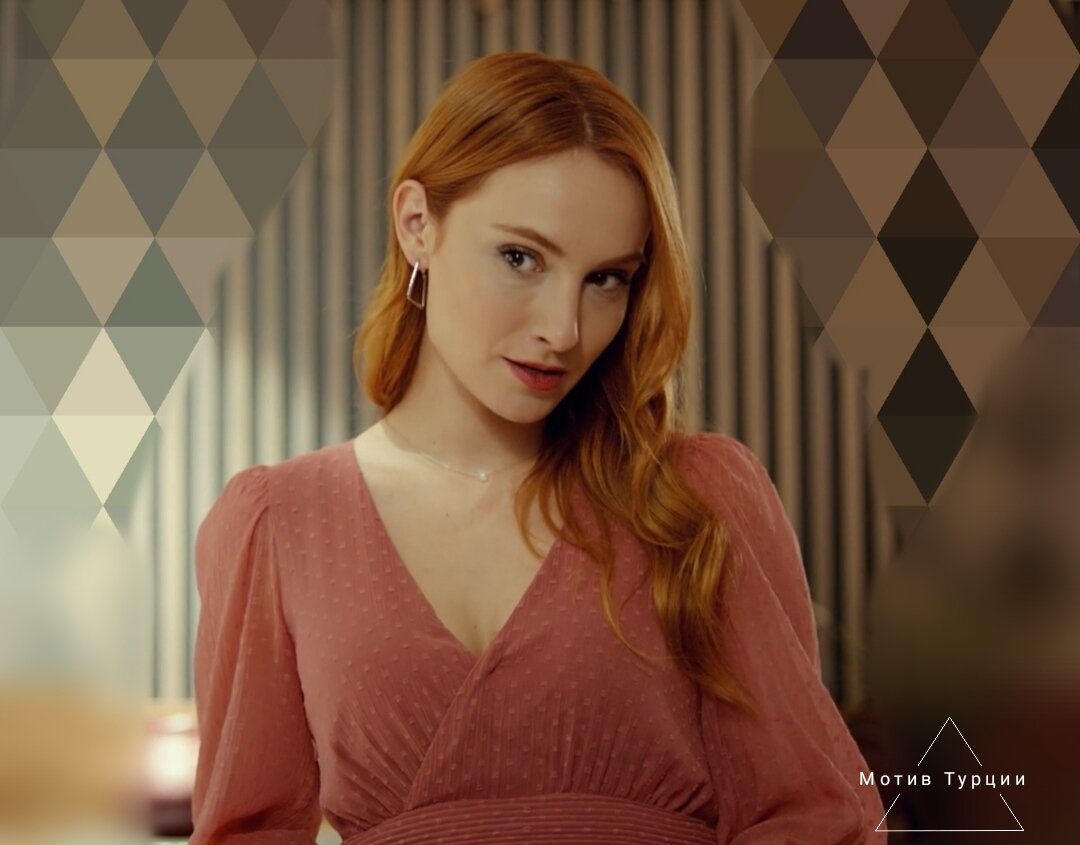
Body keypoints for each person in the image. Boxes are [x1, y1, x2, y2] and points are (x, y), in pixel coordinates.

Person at [189, 51, 887, 844]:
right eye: (521, 258)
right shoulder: (279, 521)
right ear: (417, 225)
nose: (563, 328)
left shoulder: (699, 496)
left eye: (606, 279)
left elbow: (816, 818)